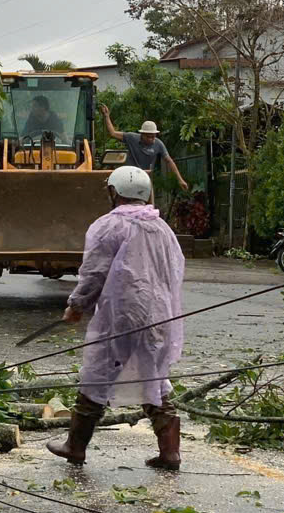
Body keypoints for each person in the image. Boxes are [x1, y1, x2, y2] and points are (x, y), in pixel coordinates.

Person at [47, 166, 186, 471]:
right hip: (159, 313)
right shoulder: (162, 228)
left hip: (122, 314)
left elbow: (94, 272)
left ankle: (75, 446)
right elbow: (175, 270)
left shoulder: (109, 226)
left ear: (113, 192)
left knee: (97, 372)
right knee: (155, 377)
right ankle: (170, 452)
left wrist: (77, 305)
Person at [99, 104, 189, 191]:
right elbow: (113, 133)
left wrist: (180, 179)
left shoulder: (158, 144)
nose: (151, 139)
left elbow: (169, 161)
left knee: (148, 196)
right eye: (148, 136)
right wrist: (107, 116)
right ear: (142, 134)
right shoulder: (131, 138)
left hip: (144, 177)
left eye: (153, 136)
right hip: (129, 175)